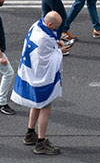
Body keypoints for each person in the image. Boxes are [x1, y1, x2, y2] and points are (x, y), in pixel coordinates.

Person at [13, 11, 65, 155]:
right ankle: (41, 142)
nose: (56, 30)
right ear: (49, 24)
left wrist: (55, 44)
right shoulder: (43, 38)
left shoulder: (36, 26)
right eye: (55, 27)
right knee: (45, 107)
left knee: (35, 104)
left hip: (28, 73)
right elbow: (47, 58)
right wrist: (60, 51)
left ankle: (30, 133)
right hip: (38, 77)